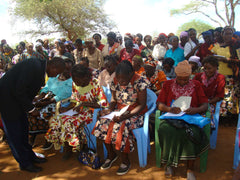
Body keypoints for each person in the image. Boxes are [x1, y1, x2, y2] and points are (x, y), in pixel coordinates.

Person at [0, 57, 66, 172]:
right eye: (58, 72)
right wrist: (31, 109)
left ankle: (30, 156)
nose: (56, 76)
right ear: (53, 66)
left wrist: (32, 102)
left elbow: (25, 89)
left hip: (18, 102)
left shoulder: (39, 67)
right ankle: (24, 163)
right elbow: (19, 90)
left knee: (24, 130)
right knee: (15, 133)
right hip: (7, 102)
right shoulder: (33, 66)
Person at [93, 60, 148, 175]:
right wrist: (109, 109)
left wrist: (127, 115)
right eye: (118, 78)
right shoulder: (115, 80)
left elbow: (142, 104)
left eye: (123, 79)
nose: (120, 82)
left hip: (136, 113)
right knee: (102, 123)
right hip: (119, 111)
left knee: (121, 126)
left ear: (131, 74)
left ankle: (125, 160)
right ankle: (111, 154)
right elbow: (113, 99)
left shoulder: (140, 81)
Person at [157, 60, 209, 180]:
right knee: (166, 130)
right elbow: (159, 103)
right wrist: (169, 108)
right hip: (171, 118)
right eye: (180, 79)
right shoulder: (168, 84)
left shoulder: (196, 85)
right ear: (176, 76)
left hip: (191, 117)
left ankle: (190, 168)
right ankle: (169, 164)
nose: (183, 82)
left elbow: (205, 105)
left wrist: (195, 110)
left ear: (190, 76)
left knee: (192, 132)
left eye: (186, 79)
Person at [45, 64, 108, 159]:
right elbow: (74, 101)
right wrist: (66, 109)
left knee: (69, 122)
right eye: (74, 81)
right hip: (77, 111)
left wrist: (85, 104)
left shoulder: (95, 83)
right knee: (57, 119)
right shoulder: (75, 84)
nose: (76, 83)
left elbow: (103, 103)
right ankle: (69, 146)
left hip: (91, 112)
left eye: (77, 81)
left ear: (85, 77)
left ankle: (74, 147)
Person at [28, 58, 74, 149]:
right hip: (47, 98)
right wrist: (39, 97)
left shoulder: (71, 81)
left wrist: (45, 103)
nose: (66, 71)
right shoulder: (54, 76)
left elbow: (61, 96)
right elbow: (46, 88)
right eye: (64, 68)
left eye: (68, 69)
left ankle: (49, 138)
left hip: (58, 102)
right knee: (31, 110)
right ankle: (32, 136)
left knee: (45, 112)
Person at [211, 26, 240, 116]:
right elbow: (211, 57)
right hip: (220, 75)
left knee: (231, 96)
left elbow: (239, 60)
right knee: (221, 95)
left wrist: (227, 60)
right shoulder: (217, 46)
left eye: (230, 34)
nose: (228, 36)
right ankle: (222, 116)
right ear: (222, 35)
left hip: (232, 75)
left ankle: (230, 117)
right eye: (226, 33)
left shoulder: (236, 45)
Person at [194, 56, 225, 128]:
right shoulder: (198, 76)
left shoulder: (220, 78)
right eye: (205, 68)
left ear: (216, 67)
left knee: (204, 116)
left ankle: (205, 133)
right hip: (197, 101)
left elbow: (219, 96)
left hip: (210, 102)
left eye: (209, 68)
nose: (207, 71)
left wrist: (207, 103)